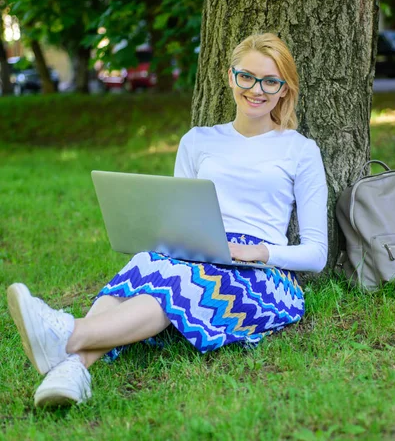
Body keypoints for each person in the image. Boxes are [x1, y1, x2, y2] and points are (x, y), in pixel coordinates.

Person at [7, 33, 328, 408]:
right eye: (247, 77)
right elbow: (178, 211)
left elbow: (316, 253)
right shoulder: (198, 140)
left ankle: (65, 333)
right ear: (230, 76)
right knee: (147, 263)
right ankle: (73, 369)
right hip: (197, 246)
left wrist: (257, 252)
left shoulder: (300, 150)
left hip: (261, 273)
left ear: (284, 89)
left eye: (270, 81)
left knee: (183, 279)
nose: (257, 89)